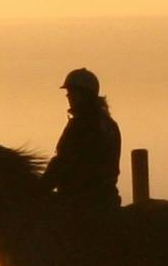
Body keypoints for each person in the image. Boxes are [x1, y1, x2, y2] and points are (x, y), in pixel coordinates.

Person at [45, 67, 124, 215]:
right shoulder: (109, 124)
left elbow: (63, 161)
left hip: (80, 202)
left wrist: (41, 188)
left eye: (72, 93)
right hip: (108, 199)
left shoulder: (81, 125)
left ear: (85, 94)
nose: (69, 97)